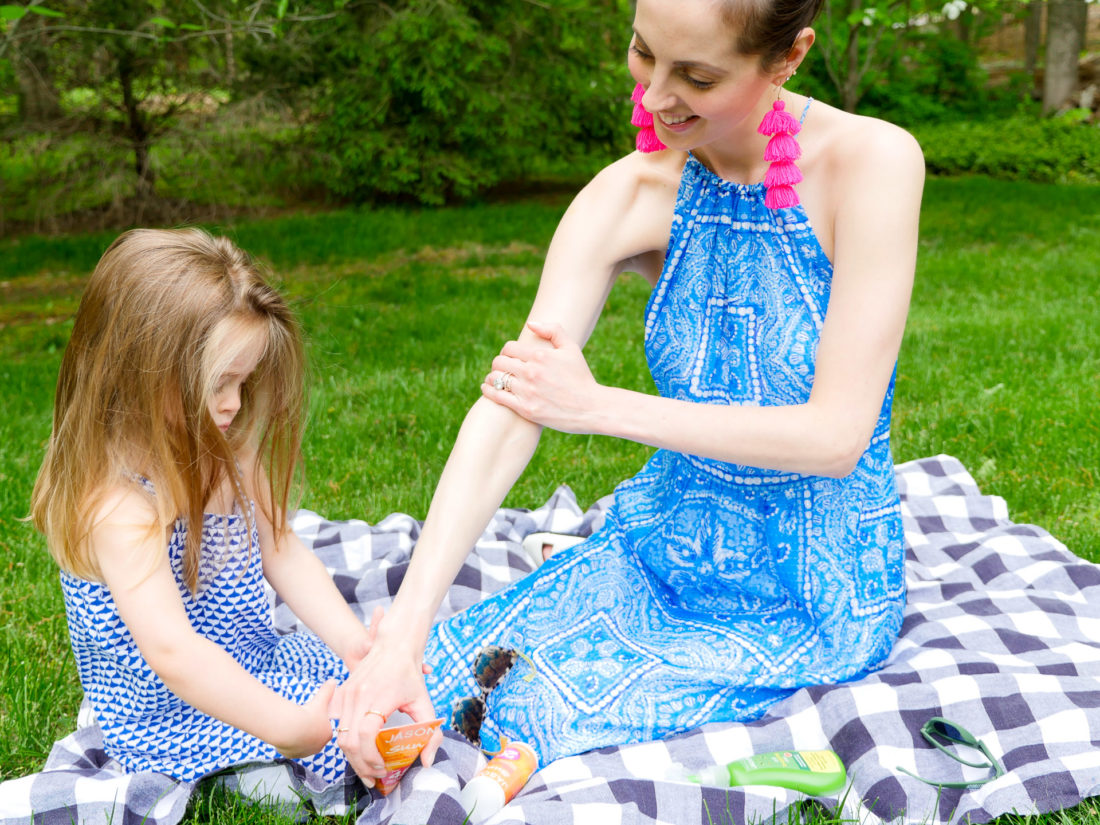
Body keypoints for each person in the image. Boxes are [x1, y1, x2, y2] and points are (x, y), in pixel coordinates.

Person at [333, 0, 925, 779]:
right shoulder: (629, 192)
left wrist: (597, 408)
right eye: (644, 54)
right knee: (429, 683)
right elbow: (519, 396)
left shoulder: (874, 164)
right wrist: (404, 634)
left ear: (789, 58)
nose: (653, 97)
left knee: (530, 715)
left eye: (696, 75)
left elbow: (834, 437)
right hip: (658, 547)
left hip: (813, 588)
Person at [30, 228, 381, 787]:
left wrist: (354, 643)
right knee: (340, 754)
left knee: (377, 693)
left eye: (244, 381)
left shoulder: (225, 446)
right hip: (171, 713)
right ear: (138, 368)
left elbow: (282, 550)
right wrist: (290, 728)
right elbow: (175, 653)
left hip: (253, 660)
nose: (234, 404)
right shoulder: (118, 503)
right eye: (218, 382)